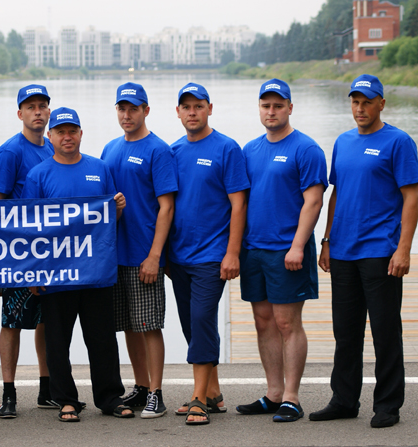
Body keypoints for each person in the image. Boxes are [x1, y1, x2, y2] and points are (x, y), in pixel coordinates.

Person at [310, 74, 418, 428]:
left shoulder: (398, 142)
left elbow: (411, 196)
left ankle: (387, 404)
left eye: (367, 102)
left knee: (385, 332)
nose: (360, 108)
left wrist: (403, 249)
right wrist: (327, 240)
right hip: (343, 250)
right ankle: (344, 400)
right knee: (346, 332)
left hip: (380, 251)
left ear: (381, 104)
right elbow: (337, 193)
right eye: (355, 102)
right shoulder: (343, 142)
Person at [22, 107, 133, 422]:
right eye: (60, 132)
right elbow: (28, 228)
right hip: (56, 273)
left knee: (102, 339)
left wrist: (118, 208)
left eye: (72, 131)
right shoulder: (38, 175)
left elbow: (109, 220)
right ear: (51, 136)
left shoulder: (99, 168)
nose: (67, 137)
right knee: (57, 341)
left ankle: (110, 398)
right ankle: (66, 400)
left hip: (96, 270)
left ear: (81, 134)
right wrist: (33, 272)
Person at [237, 78, 327, 422]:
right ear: (259, 108)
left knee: (287, 323)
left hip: (287, 251)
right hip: (253, 249)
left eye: (278, 105)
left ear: (290, 107)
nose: (271, 111)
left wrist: (298, 246)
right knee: (263, 322)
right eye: (266, 105)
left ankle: (292, 397)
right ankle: (273, 394)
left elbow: (314, 201)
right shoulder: (250, 150)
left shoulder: (306, 148)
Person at [168, 83, 249, 425]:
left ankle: (198, 398)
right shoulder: (172, 151)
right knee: (191, 323)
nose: (192, 112)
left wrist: (233, 253)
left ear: (209, 109)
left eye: (198, 106)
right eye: (186, 107)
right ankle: (213, 391)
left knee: (202, 318)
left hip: (212, 254)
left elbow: (239, 204)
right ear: (178, 112)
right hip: (178, 256)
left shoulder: (227, 148)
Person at [101, 82, 178, 418]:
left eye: (133, 108)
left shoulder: (158, 150)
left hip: (143, 255)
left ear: (146, 110)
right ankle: (142, 385)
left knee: (149, 325)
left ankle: (157, 393)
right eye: (122, 108)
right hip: (113, 256)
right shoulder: (109, 149)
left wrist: (155, 255)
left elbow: (167, 207)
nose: (127, 115)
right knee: (130, 326)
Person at [0, 85, 56, 417]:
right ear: (20, 113)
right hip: (18, 256)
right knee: (12, 323)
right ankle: (9, 393)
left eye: (42, 106)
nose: (37, 112)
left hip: (50, 254)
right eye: (31, 107)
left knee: (47, 323)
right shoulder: (10, 153)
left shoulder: (53, 147)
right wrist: (18, 258)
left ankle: (46, 389)